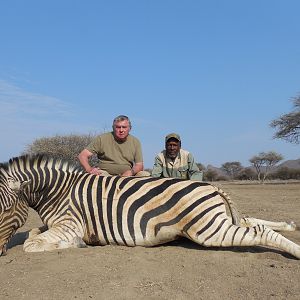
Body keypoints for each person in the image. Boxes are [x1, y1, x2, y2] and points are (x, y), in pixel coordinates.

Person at [78, 115, 149, 177]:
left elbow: (139, 165)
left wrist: (131, 172)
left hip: (127, 175)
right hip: (105, 174)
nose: (121, 130)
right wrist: (89, 169)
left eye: (124, 127)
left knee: (145, 175)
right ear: (113, 128)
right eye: (118, 127)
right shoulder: (102, 138)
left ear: (130, 128)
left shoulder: (135, 141)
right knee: (100, 177)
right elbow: (82, 155)